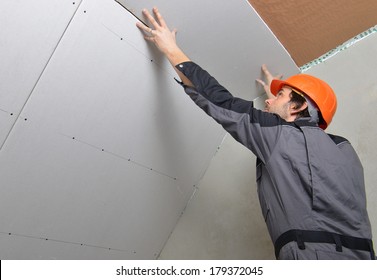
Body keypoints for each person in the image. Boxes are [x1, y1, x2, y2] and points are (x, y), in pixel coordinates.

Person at [136, 7, 375, 260]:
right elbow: (302, 155)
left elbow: (221, 102)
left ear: (298, 106)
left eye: (280, 96)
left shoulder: (280, 137)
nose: (269, 102)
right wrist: (283, 98)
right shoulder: (345, 151)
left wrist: (171, 49)